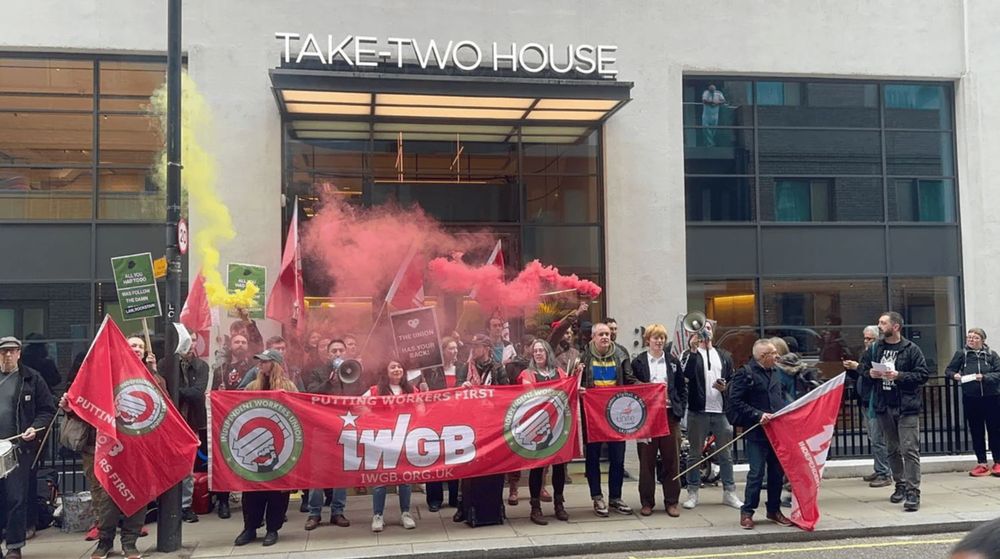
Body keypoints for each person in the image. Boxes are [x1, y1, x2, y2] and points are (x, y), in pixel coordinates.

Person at [858, 311, 930, 512]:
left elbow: (923, 374)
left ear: (895, 327)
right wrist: (869, 373)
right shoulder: (875, 348)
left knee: (909, 449)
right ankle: (900, 484)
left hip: (906, 407)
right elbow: (862, 368)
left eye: (883, 323)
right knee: (892, 449)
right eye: (879, 322)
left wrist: (899, 375)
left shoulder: (911, 349)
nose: (879, 326)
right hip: (884, 405)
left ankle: (913, 491)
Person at [727, 339, 794, 530]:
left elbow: (779, 397)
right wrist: (758, 415)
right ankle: (747, 512)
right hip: (757, 432)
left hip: (776, 431)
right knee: (756, 473)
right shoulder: (745, 373)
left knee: (776, 473)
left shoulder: (775, 371)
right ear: (763, 356)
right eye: (773, 353)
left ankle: (773, 510)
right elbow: (735, 401)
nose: (777, 356)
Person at [234, 349, 298, 547]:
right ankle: (250, 528)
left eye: (264, 361)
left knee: (277, 491)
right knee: (252, 489)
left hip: (281, 447)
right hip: (254, 446)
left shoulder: (289, 388)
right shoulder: (252, 386)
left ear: (275, 364)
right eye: (259, 361)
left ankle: (272, 529)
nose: (260, 365)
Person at [0, 336, 55, 559]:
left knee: (16, 499)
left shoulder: (32, 378)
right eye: (4, 351)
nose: (8, 355)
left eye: (12, 351)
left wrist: (35, 427)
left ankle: (14, 546)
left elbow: (47, 409)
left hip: (17, 448)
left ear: (20, 353)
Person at [579, 323, 637, 517]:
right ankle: (597, 497)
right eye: (601, 334)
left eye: (608, 333)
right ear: (593, 337)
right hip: (592, 414)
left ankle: (615, 497)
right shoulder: (584, 356)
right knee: (593, 458)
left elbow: (629, 379)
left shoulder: (621, 354)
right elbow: (575, 381)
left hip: (617, 414)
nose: (606, 336)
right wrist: (579, 389)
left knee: (618, 458)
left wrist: (651, 388)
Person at [681, 324, 742, 510]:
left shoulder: (723, 355)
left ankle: (729, 492)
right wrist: (692, 349)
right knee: (694, 454)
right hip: (698, 410)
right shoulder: (689, 354)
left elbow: (732, 379)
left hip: (720, 410)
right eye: (701, 328)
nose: (705, 331)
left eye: (707, 327)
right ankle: (693, 492)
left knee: (725, 454)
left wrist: (726, 388)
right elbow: (686, 375)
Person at [631, 324, 686, 517]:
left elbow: (681, 388)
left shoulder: (672, 361)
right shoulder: (638, 362)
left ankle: (671, 502)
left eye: (662, 338)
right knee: (646, 461)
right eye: (655, 338)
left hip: (670, 416)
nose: (659, 341)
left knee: (672, 461)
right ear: (648, 340)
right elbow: (632, 388)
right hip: (647, 420)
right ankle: (647, 502)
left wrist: (679, 410)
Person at [451, 334, 507, 523]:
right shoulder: (464, 367)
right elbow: (456, 389)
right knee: (468, 464)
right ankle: (463, 506)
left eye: (477, 346)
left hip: (491, 423)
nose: (473, 350)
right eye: (472, 346)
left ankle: (495, 505)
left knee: (492, 465)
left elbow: (505, 393)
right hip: (469, 422)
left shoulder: (498, 368)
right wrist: (463, 386)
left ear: (487, 348)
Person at [158, 329, 210, 523]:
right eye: (188, 340)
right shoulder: (166, 364)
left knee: (187, 467)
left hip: (191, 423)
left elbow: (197, 393)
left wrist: (177, 391)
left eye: (194, 340)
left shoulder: (200, 366)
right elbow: (162, 391)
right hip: (169, 423)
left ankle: (185, 506)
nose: (191, 344)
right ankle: (166, 504)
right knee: (166, 465)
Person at [516, 339, 570, 525]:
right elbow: (531, 396)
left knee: (559, 466)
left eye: (541, 350)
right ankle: (535, 507)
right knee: (537, 468)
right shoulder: (527, 374)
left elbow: (567, 392)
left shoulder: (560, 372)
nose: (538, 353)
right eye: (535, 351)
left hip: (558, 426)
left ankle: (559, 504)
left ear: (548, 353)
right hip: (537, 427)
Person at [302, 339, 353, 531]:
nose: (338, 353)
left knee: (340, 471)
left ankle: (337, 511)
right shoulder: (317, 371)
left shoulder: (351, 370)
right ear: (328, 353)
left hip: (343, 427)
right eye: (334, 350)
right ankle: (314, 513)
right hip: (322, 428)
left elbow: (358, 392)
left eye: (341, 350)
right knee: (318, 472)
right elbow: (311, 392)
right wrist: (328, 382)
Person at [368, 360, 418, 532]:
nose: (397, 370)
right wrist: (372, 421)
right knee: (380, 480)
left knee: (405, 479)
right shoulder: (375, 390)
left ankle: (405, 513)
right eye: (393, 367)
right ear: (386, 371)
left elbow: (422, 411)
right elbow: (357, 404)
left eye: (399, 367)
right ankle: (378, 515)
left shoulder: (412, 390)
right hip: (383, 440)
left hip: (405, 440)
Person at [211, 332, 255, 519]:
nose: (240, 345)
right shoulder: (222, 368)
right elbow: (212, 395)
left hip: (250, 420)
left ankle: (254, 501)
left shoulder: (255, 367)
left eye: (244, 342)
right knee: (226, 460)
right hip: (228, 421)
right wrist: (219, 393)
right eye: (237, 341)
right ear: (231, 345)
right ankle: (223, 501)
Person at [946, 328, 1000, 477]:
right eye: (969, 337)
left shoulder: (991, 355)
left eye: (975, 337)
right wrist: (955, 375)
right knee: (976, 431)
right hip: (971, 398)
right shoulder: (961, 355)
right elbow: (949, 370)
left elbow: (998, 373)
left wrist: (984, 377)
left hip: (992, 397)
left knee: (995, 430)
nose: (971, 340)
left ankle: (998, 462)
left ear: (982, 340)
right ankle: (982, 463)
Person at [843, 326, 892, 487]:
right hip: (865, 400)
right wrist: (851, 369)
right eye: (865, 338)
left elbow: (874, 374)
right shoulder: (866, 353)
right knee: (873, 437)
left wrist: (857, 366)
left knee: (878, 438)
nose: (866, 341)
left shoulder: (880, 354)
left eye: (870, 339)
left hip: (875, 401)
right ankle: (879, 469)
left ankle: (884, 472)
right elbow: (861, 374)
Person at [424, 337, 461, 512]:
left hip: (457, 420)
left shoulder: (462, 369)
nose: (454, 351)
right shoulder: (432, 371)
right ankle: (434, 498)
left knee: (454, 458)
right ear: (443, 351)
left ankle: (455, 496)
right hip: (436, 420)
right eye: (451, 348)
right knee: (434, 458)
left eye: (456, 348)